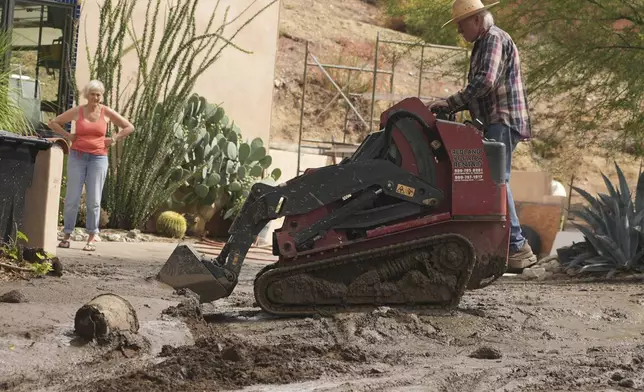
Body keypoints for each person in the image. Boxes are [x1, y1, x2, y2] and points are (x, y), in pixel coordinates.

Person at [428, 0, 537, 271]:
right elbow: (479, 88)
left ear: (475, 20)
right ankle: (510, 245)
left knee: (498, 180)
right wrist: (451, 104)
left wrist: (450, 102)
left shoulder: (493, 39)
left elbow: (485, 82)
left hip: (503, 117)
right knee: (495, 179)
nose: (459, 32)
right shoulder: (483, 43)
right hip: (496, 119)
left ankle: (516, 246)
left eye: (460, 25)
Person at [48, 80, 134, 251]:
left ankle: (92, 236)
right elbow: (53, 122)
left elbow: (129, 127)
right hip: (77, 157)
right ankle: (66, 235)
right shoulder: (78, 111)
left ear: (101, 96)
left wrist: (114, 139)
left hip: (99, 159)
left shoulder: (106, 112)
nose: (95, 97)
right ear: (87, 95)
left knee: (94, 200)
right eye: (93, 94)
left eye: (98, 94)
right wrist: (68, 136)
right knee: (72, 198)